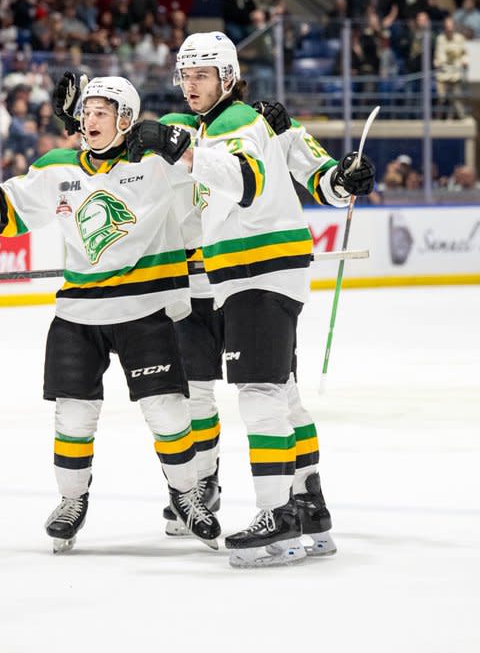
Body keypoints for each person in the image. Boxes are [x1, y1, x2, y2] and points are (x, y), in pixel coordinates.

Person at [0, 75, 222, 554]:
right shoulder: (57, 167)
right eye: (87, 112)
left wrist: (178, 144)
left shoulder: (157, 164)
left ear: (127, 120)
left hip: (146, 306)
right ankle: (71, 501)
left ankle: (187, 494)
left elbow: (209, 170)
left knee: (168, 410)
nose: (91, 119)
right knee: (73, 415)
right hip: (79, 312)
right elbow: (9, 212)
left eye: (103, 112)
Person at [144, 32, 374, 568]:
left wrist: (188, 153)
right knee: (284, 393)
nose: (190, 85)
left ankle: (277, 516)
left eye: (202, 74)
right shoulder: (239, 123)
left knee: (258, 393)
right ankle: (310, 509)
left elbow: (244, 180)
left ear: (227, 76)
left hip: (258, 271)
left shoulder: (233, 123)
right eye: (185, 75)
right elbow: (316, 174)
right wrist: (339, 180)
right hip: (256, 273)